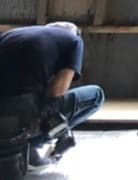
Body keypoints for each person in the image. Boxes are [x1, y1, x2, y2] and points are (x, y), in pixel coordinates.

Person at [0, 22, 104, 167]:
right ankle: (31, 145)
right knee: (96, 95)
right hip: (22, 115)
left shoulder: (10, 35)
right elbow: (56, 92)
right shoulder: (74, 41)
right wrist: (61, 131)